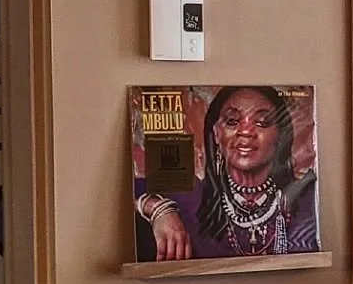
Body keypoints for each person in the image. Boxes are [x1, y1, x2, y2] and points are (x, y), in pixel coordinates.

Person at [136, 85, 319, 260]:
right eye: (232, 121)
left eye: (262, 122)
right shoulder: (192, 197)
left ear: (281, 134)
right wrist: (158, 208)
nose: (246, 132)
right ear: (216, 134)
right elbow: (127, 192)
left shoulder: (306, 197)